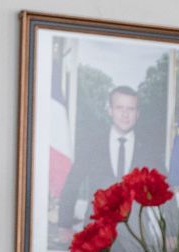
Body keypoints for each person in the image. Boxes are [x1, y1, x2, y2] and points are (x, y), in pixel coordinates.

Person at [59, 86, 150, 230]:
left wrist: (173, 233)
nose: (125, 114)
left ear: (137, 114)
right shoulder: (92, 145)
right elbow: (72, 183)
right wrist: (64, 225)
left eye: (130, 109)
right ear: (110, 111)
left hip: (137, 237)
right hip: (96, 232)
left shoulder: (148, 149)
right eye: (120, 108)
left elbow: (165, 188)